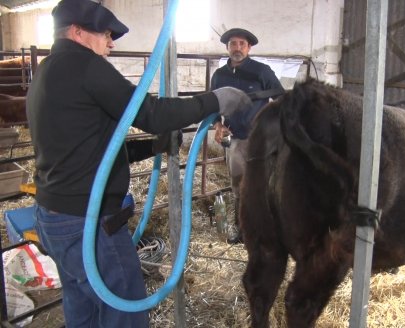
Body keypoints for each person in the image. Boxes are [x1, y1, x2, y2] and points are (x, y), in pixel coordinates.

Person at [25, 1, 251, 327]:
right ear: (77, 32)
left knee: (83, 312)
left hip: (53, 219)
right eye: (105, 34)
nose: (111, 43)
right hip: (89, 224)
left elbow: (88, 150)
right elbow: (153, 114)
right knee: (124, 314)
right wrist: (216, 100)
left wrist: (151, 147)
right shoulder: (86, 66)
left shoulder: (46, 69)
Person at [211, 28, 284, 244]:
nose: (237, 48)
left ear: (249, 48)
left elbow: (279, 94)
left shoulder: (262, 71)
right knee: (239, 186)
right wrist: (217, 124)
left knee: (266, 184)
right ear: (227, 47)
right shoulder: (219, 75)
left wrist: (254, 98)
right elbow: (213, 102)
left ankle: (271, 232)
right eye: (233, 43)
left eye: (242, 44)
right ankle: (244, 231)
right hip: (237, 139)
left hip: (262, 140)